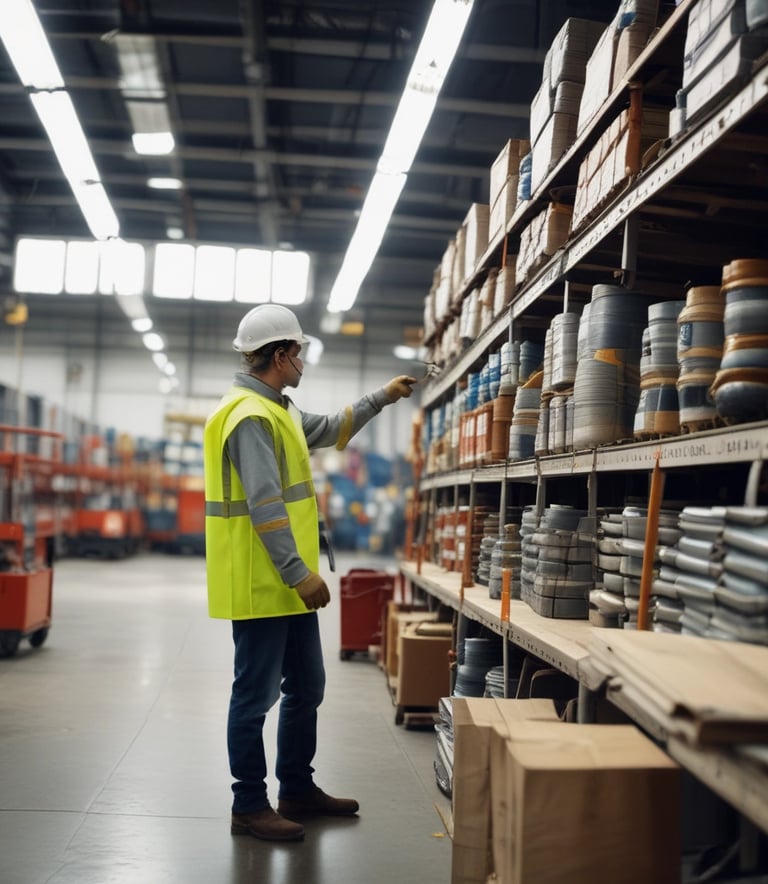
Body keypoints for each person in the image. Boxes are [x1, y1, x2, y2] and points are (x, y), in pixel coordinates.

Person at [203, 303, 417, 842]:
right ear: (280, 355)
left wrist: (383, 397)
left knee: (307, 686)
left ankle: (297, 787)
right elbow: (265, 505)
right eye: (298, 352)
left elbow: (331, 427)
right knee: (254, 695)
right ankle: (248, 804)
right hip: (262, 582)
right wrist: (300, 572)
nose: (302, 360)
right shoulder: (249, 417)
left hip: (285, 584)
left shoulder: (279, 409)